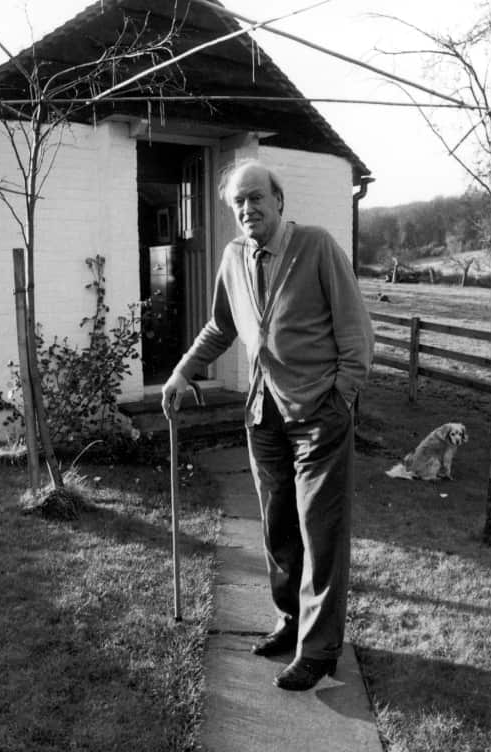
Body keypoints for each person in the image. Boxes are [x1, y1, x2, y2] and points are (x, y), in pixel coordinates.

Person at [162, 159, 374, 691]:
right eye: (238, 203)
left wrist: (341, 396)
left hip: (319, 413)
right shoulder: (234, 257)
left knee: (321, 534)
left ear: (278, 200)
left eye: (257, 198)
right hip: (264, 413)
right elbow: (221, 325)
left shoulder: (318, 246)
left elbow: (356, 332)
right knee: (277, 526)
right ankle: (288, 619)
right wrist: (182, 371)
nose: (248, 209)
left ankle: (319, 649)